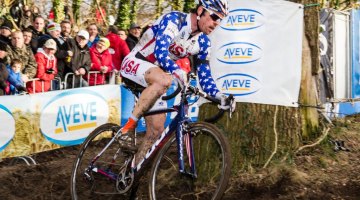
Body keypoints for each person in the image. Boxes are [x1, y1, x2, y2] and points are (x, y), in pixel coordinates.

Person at [119, 0, 233, 161]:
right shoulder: (175, 20)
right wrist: (176, 70)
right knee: (165, 80)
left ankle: (131, 173)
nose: (216, 23)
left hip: (157, 78)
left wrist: (220, 96)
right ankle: (127, 129)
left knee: (157, 130)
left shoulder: (203, 42)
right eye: (214, 16)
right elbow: (160, 52)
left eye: (220, 19)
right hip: (135, 63)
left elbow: (205, 77)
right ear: (200, 11)